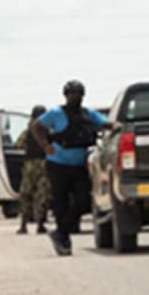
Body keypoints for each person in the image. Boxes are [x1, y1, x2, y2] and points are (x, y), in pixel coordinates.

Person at [28, 82, 107, 257]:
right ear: (66, 95)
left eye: (79, 93)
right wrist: (45, 145)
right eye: (72, 93)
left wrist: (116, 125)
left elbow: (106, 123)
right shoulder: (56, 113)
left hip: (79, 165)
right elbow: (36, 126)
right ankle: (64, 240)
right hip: (58, 164)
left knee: (84, 201)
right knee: (61, 203)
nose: (76, 97)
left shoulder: (88, 114)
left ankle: (60, 232)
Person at [14, 104, 49, 236]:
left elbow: (18, 144)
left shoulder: (28, 131)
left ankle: (23, 225)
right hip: (44, 164)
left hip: (30, 166)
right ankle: (40, 224)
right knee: (43, 195)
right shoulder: (48, 130)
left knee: (26, 194)